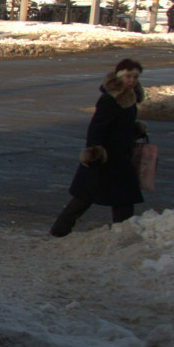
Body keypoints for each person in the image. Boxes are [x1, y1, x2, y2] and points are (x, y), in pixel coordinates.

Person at [49, 58, 145, 237]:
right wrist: (95, 153)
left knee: (122, 200)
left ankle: (123, 234)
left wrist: (135, 131)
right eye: (128, 76)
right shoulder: (110, 99)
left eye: (135, 77)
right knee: (84, 198)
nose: (131, 80)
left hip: (119, 159)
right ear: (119, 76)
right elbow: (97, 127)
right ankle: (59, 231)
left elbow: (120, 125)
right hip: (105, 158)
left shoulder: (128, 98)